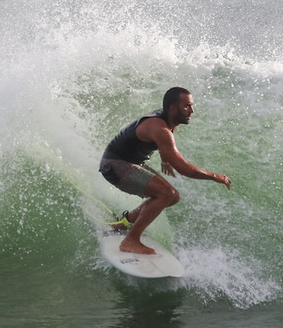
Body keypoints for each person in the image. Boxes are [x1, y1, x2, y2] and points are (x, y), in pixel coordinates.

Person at [99, 87, 231, 255]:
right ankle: (130, 241)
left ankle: (123, 224)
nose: (192, 111)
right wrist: (214, 176)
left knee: (172, 196)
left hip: (130, 163)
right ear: (173, 108)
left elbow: (160, 143)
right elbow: (182, 168)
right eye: (187, 106)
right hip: (115, 165)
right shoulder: (159, 127)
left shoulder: (170, 123)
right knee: (166, 193)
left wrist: (165, 157)